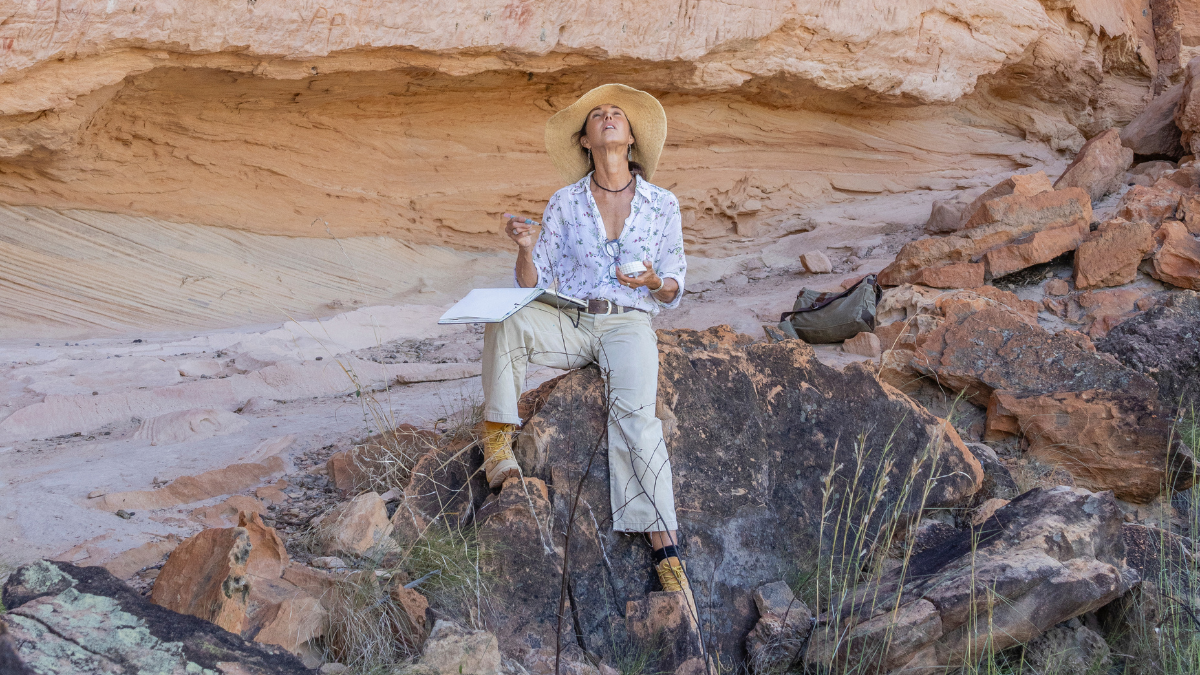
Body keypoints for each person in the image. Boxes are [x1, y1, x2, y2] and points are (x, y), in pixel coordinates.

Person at [480, 83, 692, 601]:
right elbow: (533, 284)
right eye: (597, 115)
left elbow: (675, 286)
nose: (608, 118)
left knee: (637, 420)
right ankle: (497, 439)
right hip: (572, 319)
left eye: (617, 113)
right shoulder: (564, 203)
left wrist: (649, 284)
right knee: (504, 319)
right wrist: (527, 248)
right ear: (585, 140)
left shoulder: (663, 204)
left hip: (628, 323)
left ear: (631, 137)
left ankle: (665, 550)